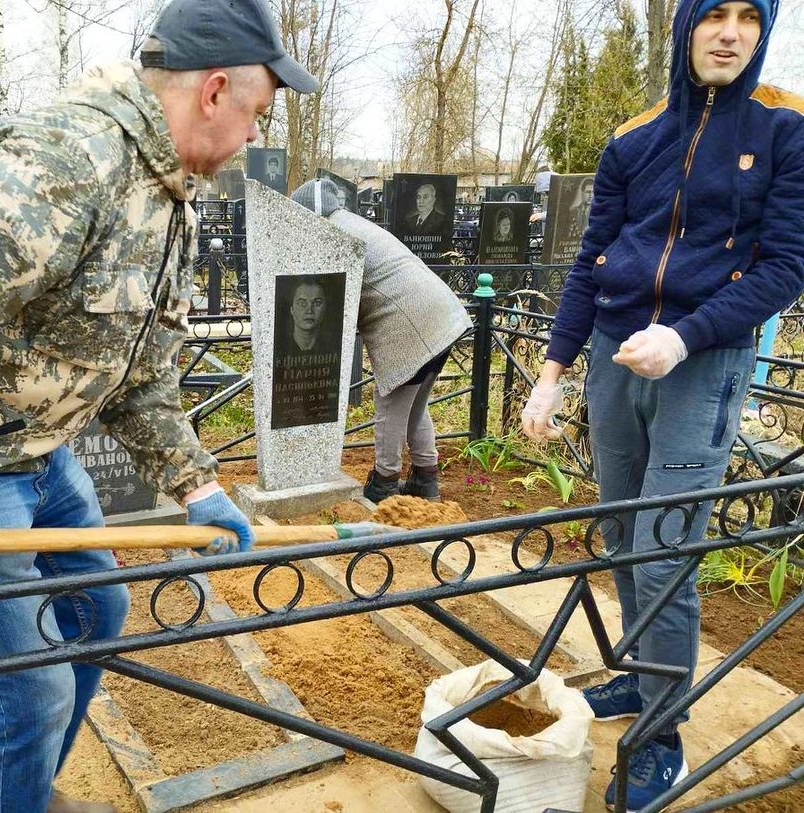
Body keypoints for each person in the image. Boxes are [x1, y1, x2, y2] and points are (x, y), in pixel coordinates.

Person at [0, 0, 318, 810]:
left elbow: (139, 369)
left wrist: (196, 482)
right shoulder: (68, 161)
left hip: (38, 454)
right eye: (258, 114)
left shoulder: (167, 197)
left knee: (97, 612)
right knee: (28, 692)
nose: (256, 137)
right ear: (215, 91)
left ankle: (26, 792)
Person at [521, 1, 802, 808]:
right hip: (615, 355)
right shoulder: (634, 135)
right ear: (685, 26)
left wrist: (685, 336)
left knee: (663, 543)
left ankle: (663, 732)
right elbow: (591, 259)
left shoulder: (785, 129)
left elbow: (785, 264)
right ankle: (643, 680)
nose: (731, 32)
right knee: (620, 528)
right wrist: (552, 369)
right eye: (715, 12)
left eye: (751, 17)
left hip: (701, 362)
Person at [292, 178, 472, 501]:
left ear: (309, 215)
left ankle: (385, 482)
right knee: (415, 405)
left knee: (389, 404)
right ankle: (425, 478)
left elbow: (334, 294)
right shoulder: (353, 223)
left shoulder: (334, 234)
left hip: (411, 321)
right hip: (442, 316)